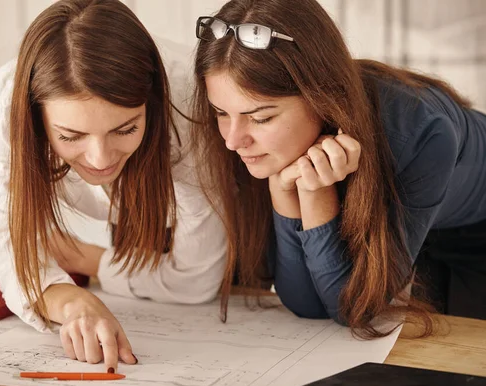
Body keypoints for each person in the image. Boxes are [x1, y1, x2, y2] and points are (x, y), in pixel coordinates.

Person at [190, 0, 486, 336]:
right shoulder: (267, 148)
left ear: (323, 97)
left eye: (261, 118)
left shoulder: (421, 132)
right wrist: (284, 191)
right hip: (425, 227)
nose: (232, 141)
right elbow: (304, 305)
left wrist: (315, 193)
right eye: (221, 112)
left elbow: (353, 310)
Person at [0, 0, 226, 372]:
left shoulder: (188, 103)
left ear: (152, 107)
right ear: (36, 117)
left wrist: (93, 261)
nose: (100, 160)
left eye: (126, 129)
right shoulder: (6, 102)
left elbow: (196, 278)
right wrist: (69, 301)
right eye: (71, 136)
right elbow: (7, 237)